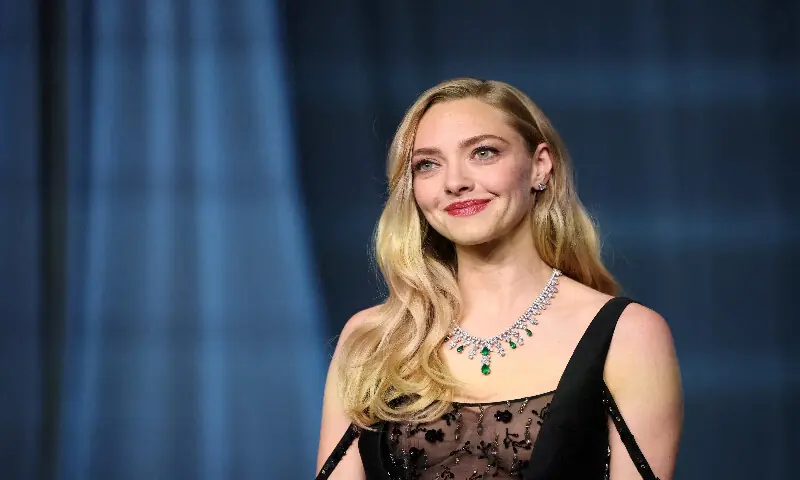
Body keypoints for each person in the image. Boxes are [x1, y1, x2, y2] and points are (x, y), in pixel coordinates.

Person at [316, 78, 683, 479]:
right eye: (428, 164)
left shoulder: (628, 335)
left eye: (483, 152)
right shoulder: (373, 339)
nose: (455, 182)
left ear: (539, 166)